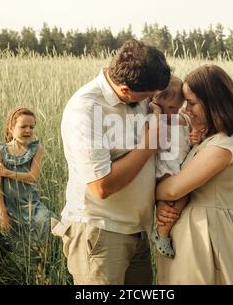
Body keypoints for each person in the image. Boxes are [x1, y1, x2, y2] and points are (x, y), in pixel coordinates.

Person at [55, 39, 176, 284]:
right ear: (124, 90)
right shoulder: (86, 109)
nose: (153, 102)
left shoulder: (140, 96)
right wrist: (148, 145)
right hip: (100, 233)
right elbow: (101, 185)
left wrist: (229, 131)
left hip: (137, 232)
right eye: (149, 97)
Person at [156, 64, 233, 284]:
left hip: (208, 234)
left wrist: (147, 191)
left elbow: (174, 189)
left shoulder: (224, 144)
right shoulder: (210, 137)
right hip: (194, 230)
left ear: (213, 102)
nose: (185, 110)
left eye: (192, 103)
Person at [0, 107, 54, 283]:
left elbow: (33, 177)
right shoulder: (0, 151)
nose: (28, 130)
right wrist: (2, 212)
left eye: (32, 127)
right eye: (23, 126)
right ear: (11, 128)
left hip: (29, 202)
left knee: (44, 223)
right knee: (0, 238)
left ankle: (40, 270)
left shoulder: (36, 148)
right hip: (6, 202)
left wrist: (6, 172)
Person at [148, 76, 202, 258]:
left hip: (181, 166)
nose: (173, 112)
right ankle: (162, 233)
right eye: (169, 107)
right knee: (174, 197)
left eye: (177, 108)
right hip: (165, 168)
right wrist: (155, 112)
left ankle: (162, 230)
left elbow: (192, 137)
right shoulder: (156, 120)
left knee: (182, 196)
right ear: (156, 101)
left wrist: (195, 137)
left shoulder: (184, 119)